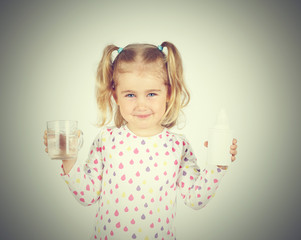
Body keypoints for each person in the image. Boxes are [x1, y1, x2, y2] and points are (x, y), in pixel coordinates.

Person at [43, 41, 238, 240]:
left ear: (168, 93)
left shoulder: (178, 146)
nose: (141, 105)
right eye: (130, 95)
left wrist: (217, 165)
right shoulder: (106, 140)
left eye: (152, 94)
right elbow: (88, 196)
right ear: (116, 96)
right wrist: (68, 160)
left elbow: (195, 200)